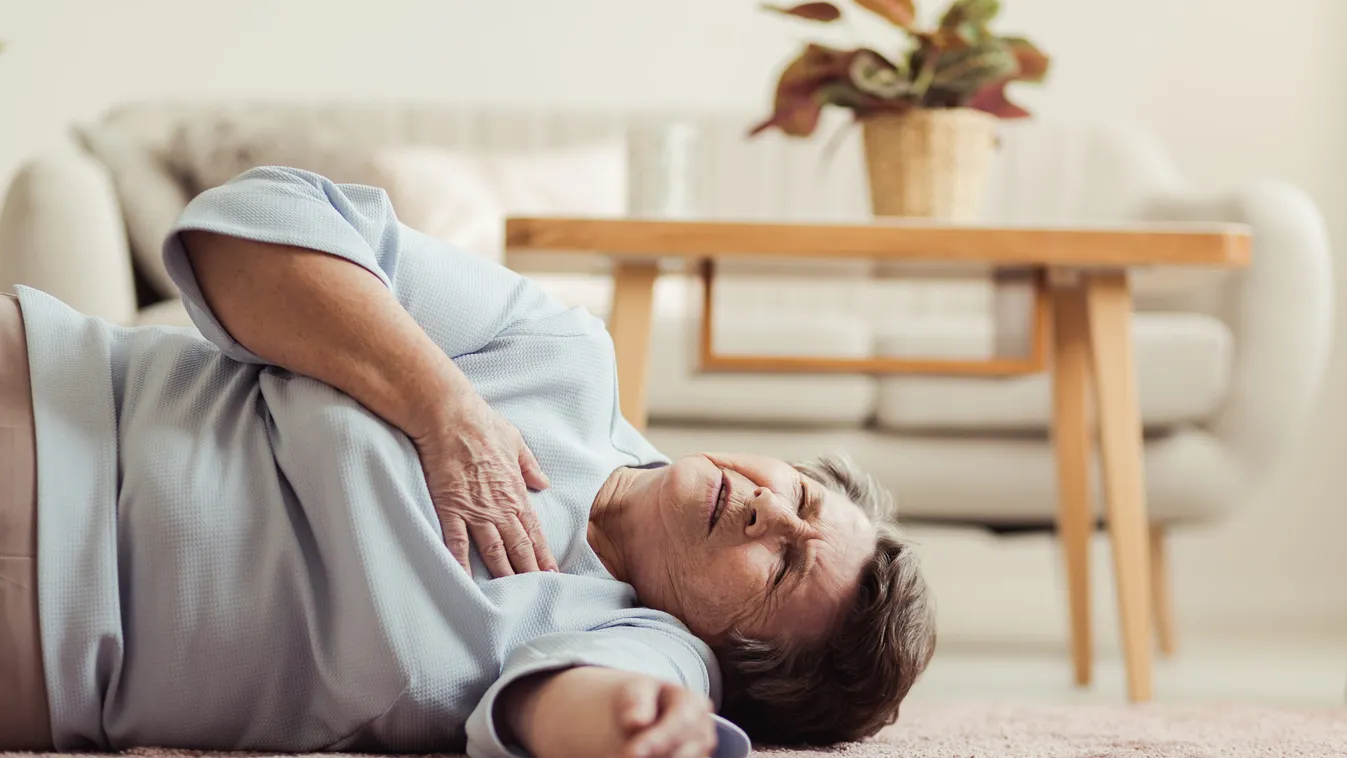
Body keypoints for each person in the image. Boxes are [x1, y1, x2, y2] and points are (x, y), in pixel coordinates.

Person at [0, 167, 935, 758]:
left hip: (44, 650)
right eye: (802, 494)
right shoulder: (563, 356)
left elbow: (567, 709)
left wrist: (638, 729)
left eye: (784, 564)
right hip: (46, 404)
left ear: (736, 660)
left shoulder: (646, 644)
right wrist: (441, 406)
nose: (770, 510)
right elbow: (243, 224)